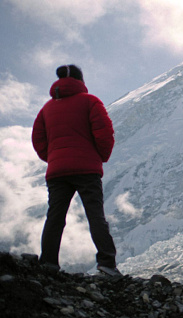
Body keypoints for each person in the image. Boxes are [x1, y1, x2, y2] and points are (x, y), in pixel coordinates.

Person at [32, 64, 121, 276]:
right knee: (95, 215)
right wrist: (100, 157)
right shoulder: (90, 102)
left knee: (55, 216)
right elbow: (104, 132)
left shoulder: (46, 109)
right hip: (86, 169)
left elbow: (38, 139)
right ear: (81, 81)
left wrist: (53, 158)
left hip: (57, 171)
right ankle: (107, 264)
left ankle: (49, 263)